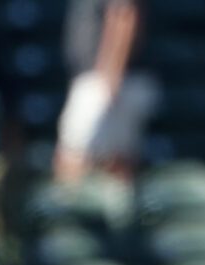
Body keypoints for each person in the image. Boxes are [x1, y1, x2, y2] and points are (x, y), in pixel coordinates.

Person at [55, 0, 154, 183]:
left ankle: (74, 209)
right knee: (108, 160)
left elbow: (123, 15)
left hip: (104, 81)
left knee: (74, 156)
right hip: (97, 79)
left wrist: (111, 74)